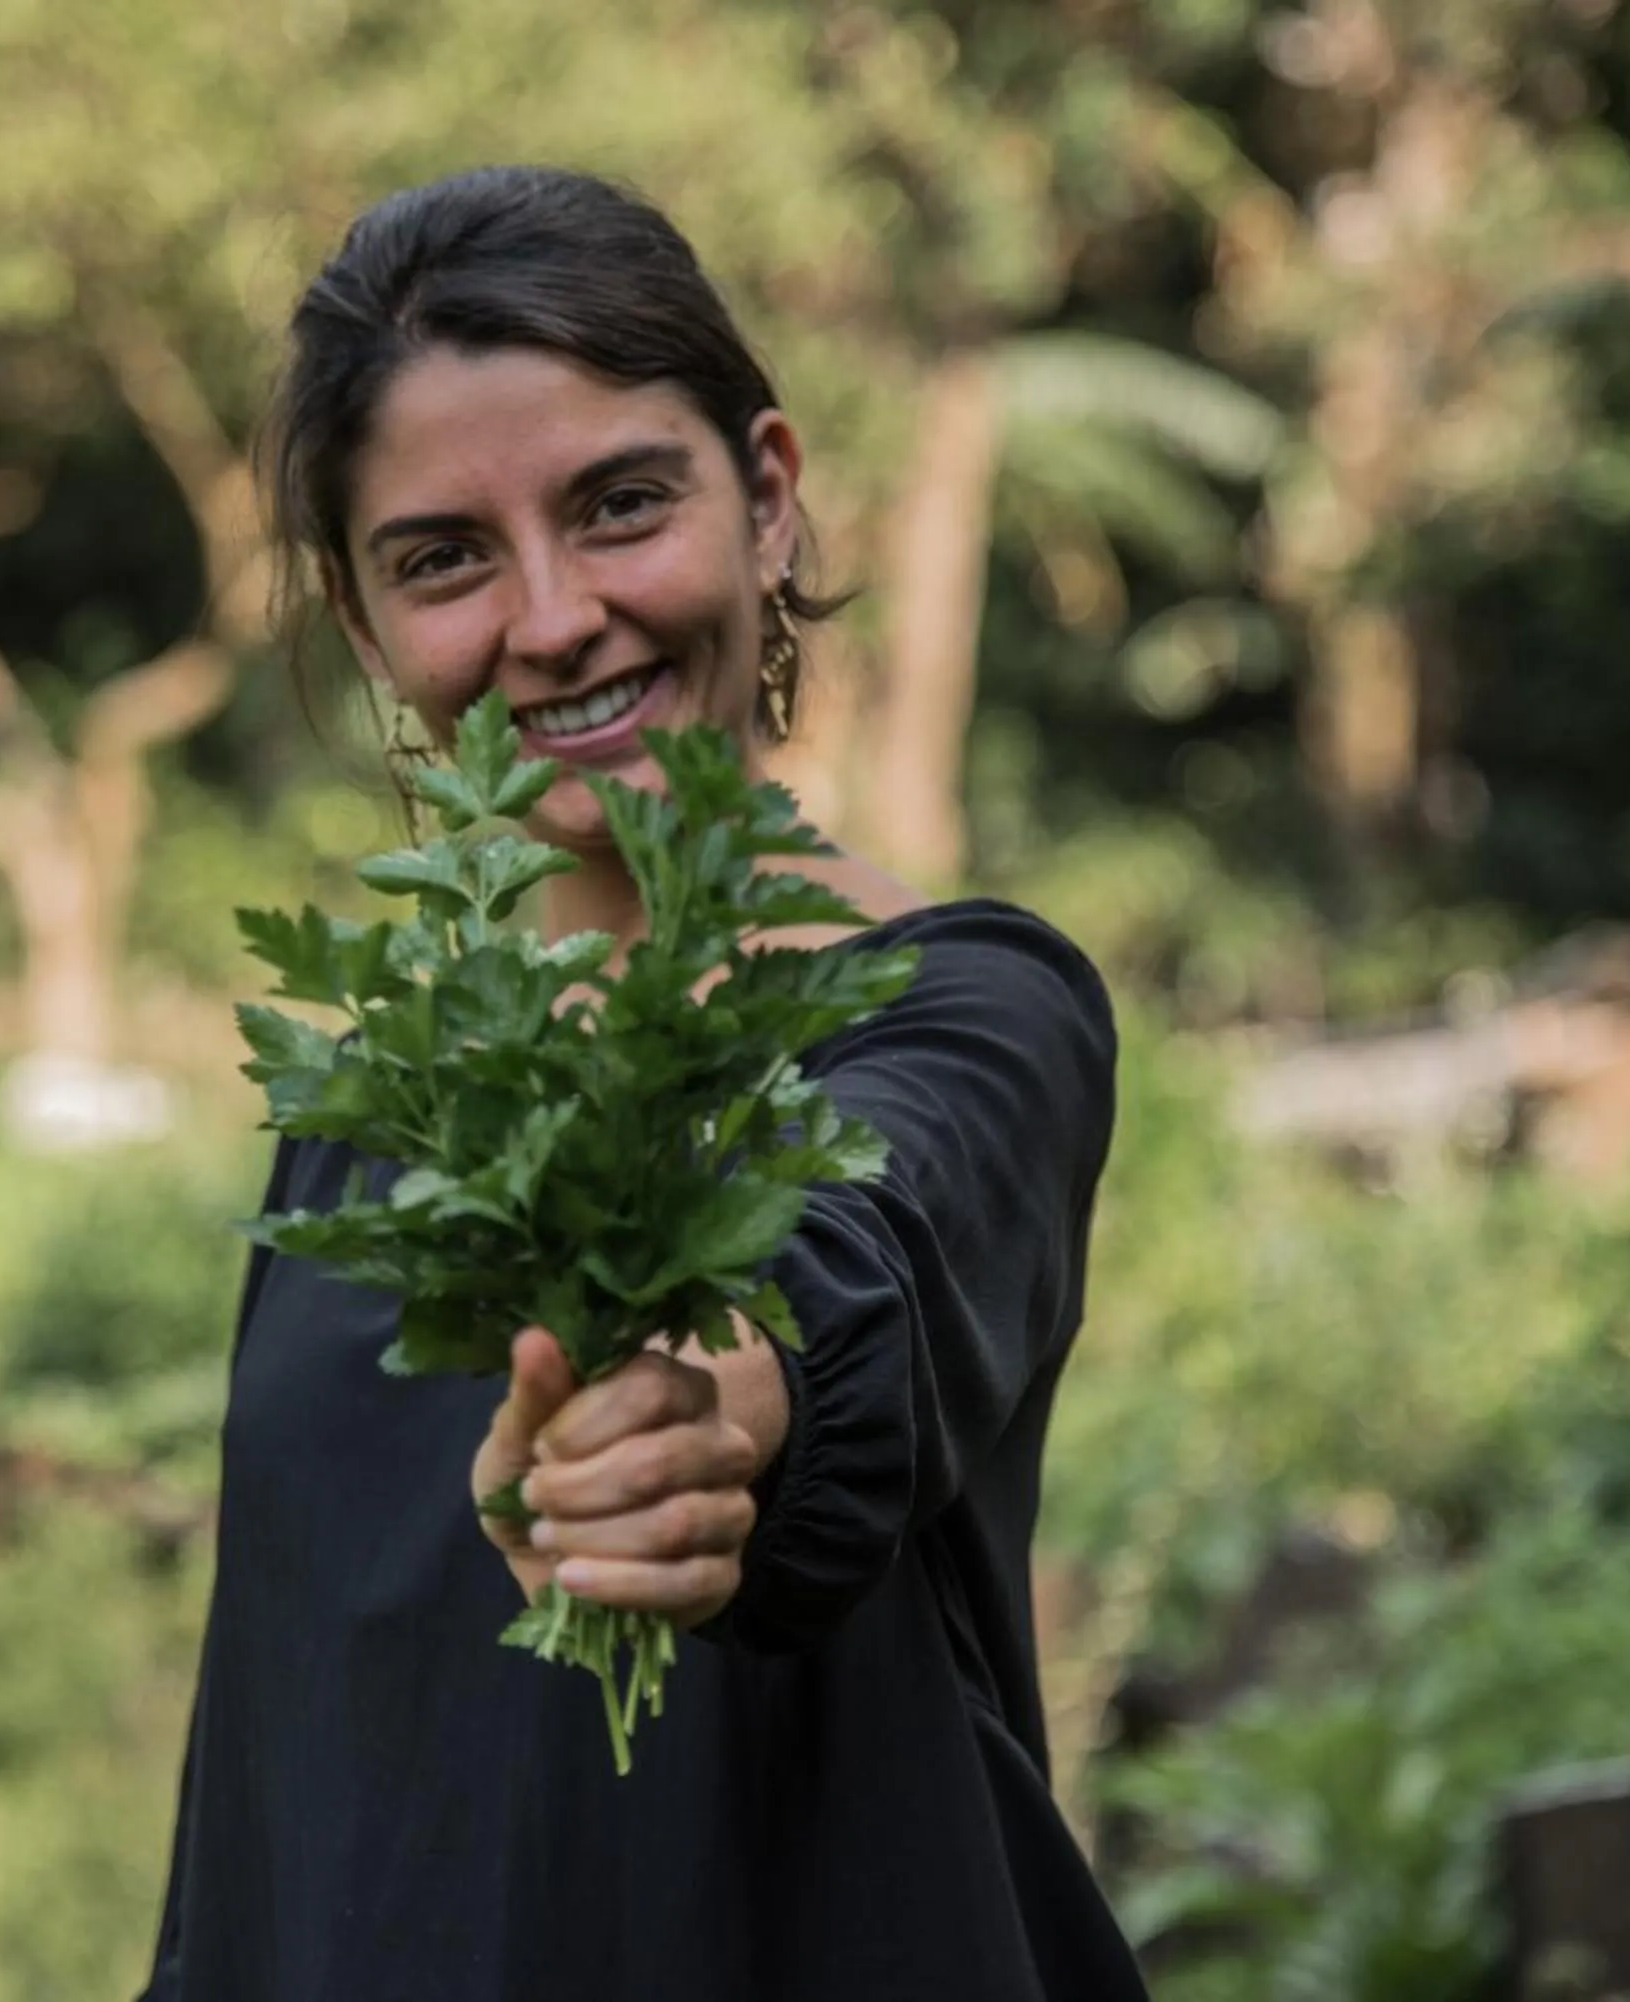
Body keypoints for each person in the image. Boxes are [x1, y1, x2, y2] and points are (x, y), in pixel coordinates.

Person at [139, 164, 1143, 2002]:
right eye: (443, 556)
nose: (552, 618)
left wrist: (721, 1408)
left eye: (620, 506)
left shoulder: (965, 1014)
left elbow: (875, 1260)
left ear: (766, 498)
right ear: (366, 632)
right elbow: (270, 1765)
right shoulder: (377, 1118)